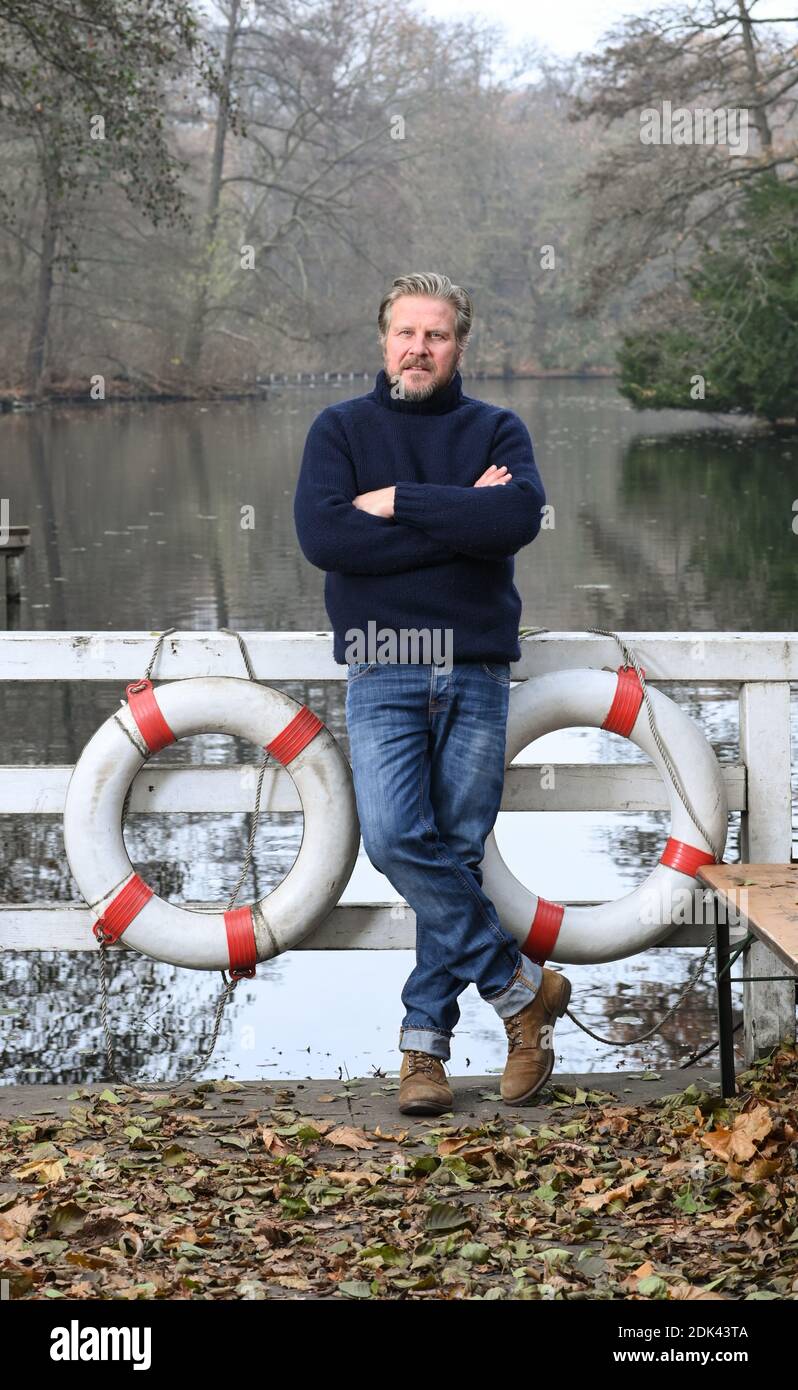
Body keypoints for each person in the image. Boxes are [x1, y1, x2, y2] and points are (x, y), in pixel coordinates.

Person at [293, 271, 571, 1114]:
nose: (420, 348)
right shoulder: (339, 430)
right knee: (395, 837)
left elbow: (514, 521)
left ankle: (424, 1053)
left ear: (460, 344)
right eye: (407, 333)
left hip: (477, 665)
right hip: (384, 660)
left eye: (437, 335)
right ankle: (521, 993)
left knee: (451, 853)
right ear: (384, 339)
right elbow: (327, 538)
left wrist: (400, 504)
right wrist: (456, 524)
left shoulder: (497, 428)